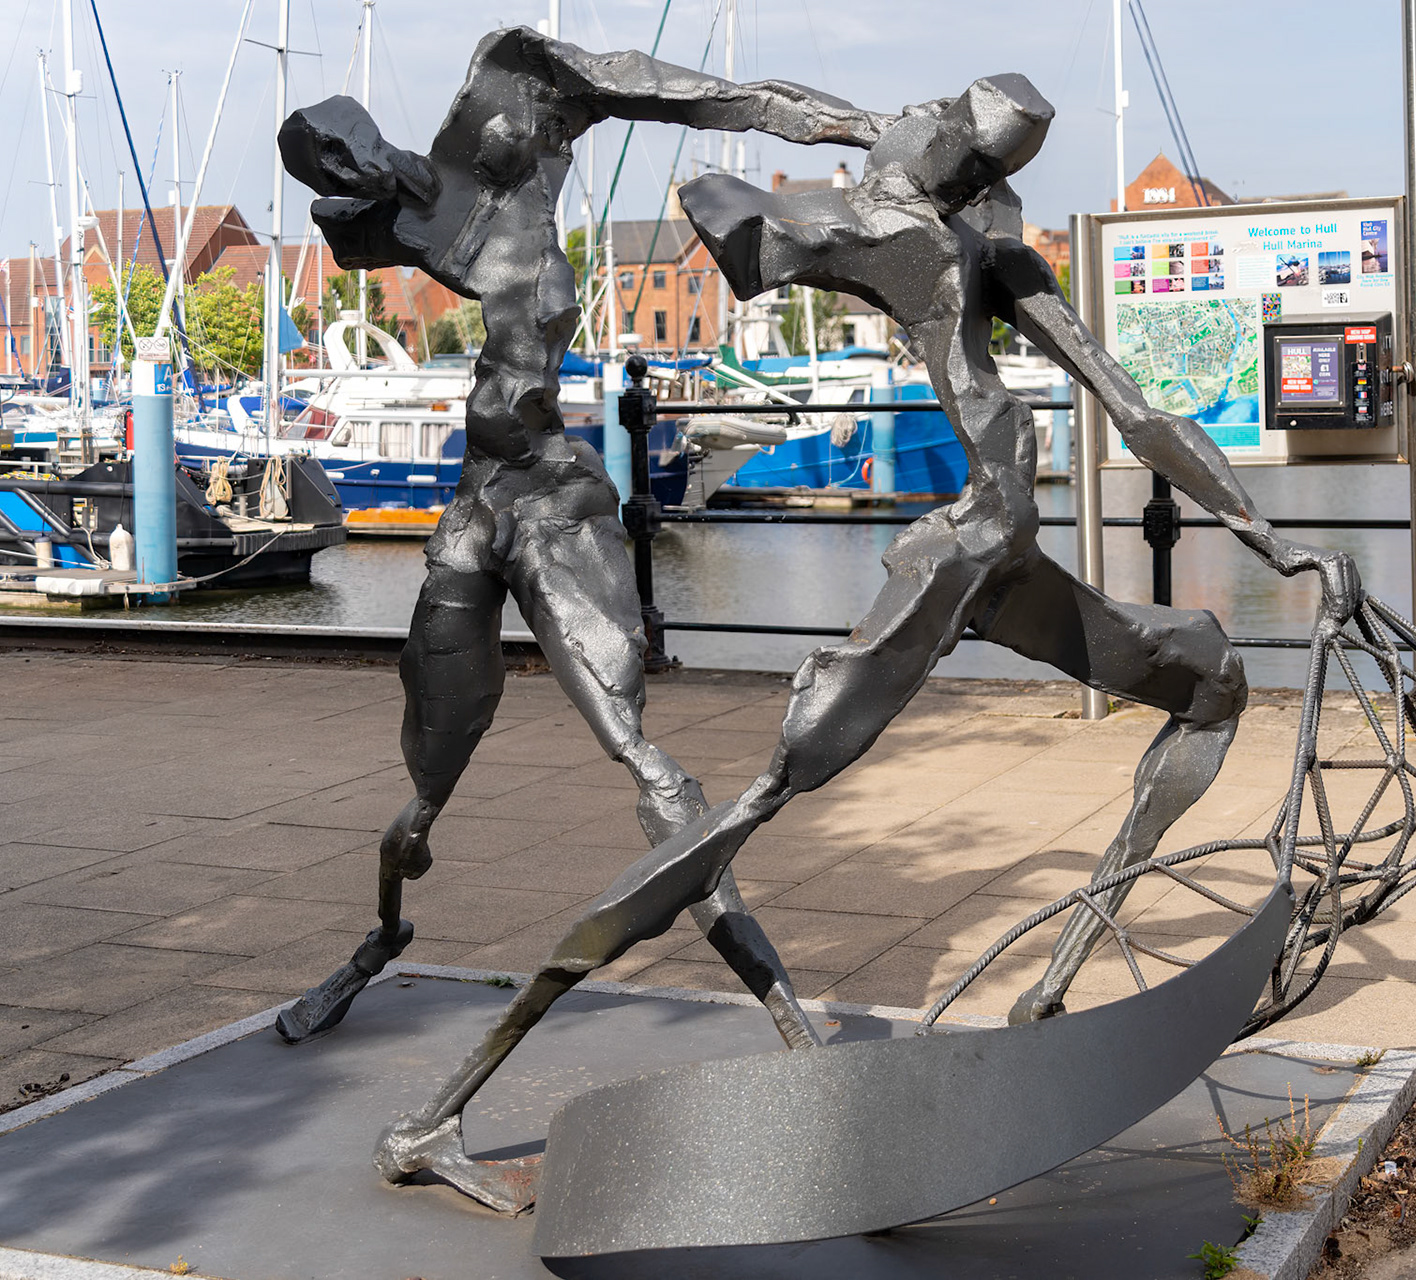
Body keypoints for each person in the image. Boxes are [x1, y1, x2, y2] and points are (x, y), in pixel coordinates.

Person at [310, 41, 1358, 1214]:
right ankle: (437, 1099)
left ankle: (1049, 990)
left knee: (1211, 682)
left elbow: (1142, 411)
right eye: (964, 135)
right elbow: (738, 215)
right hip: (957, 558)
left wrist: (1273, 536)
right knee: (715, 812)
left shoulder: (991, 250)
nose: (946, 143)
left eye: (967, 139)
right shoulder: (887, 234)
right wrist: (790, 194)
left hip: (1004, 553)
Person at [269, 26, 891, 1056]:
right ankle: (379, 936)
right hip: (475, 512)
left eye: (344, 149)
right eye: (323, 167)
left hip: (554, 497)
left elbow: (683, 93)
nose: (343, 170)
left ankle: (786, 1015)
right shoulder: (414, 225)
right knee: (424, 790)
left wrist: (851, 129)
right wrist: (351, 193)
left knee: (646, 761)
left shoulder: (511, 160)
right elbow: (355, 220)